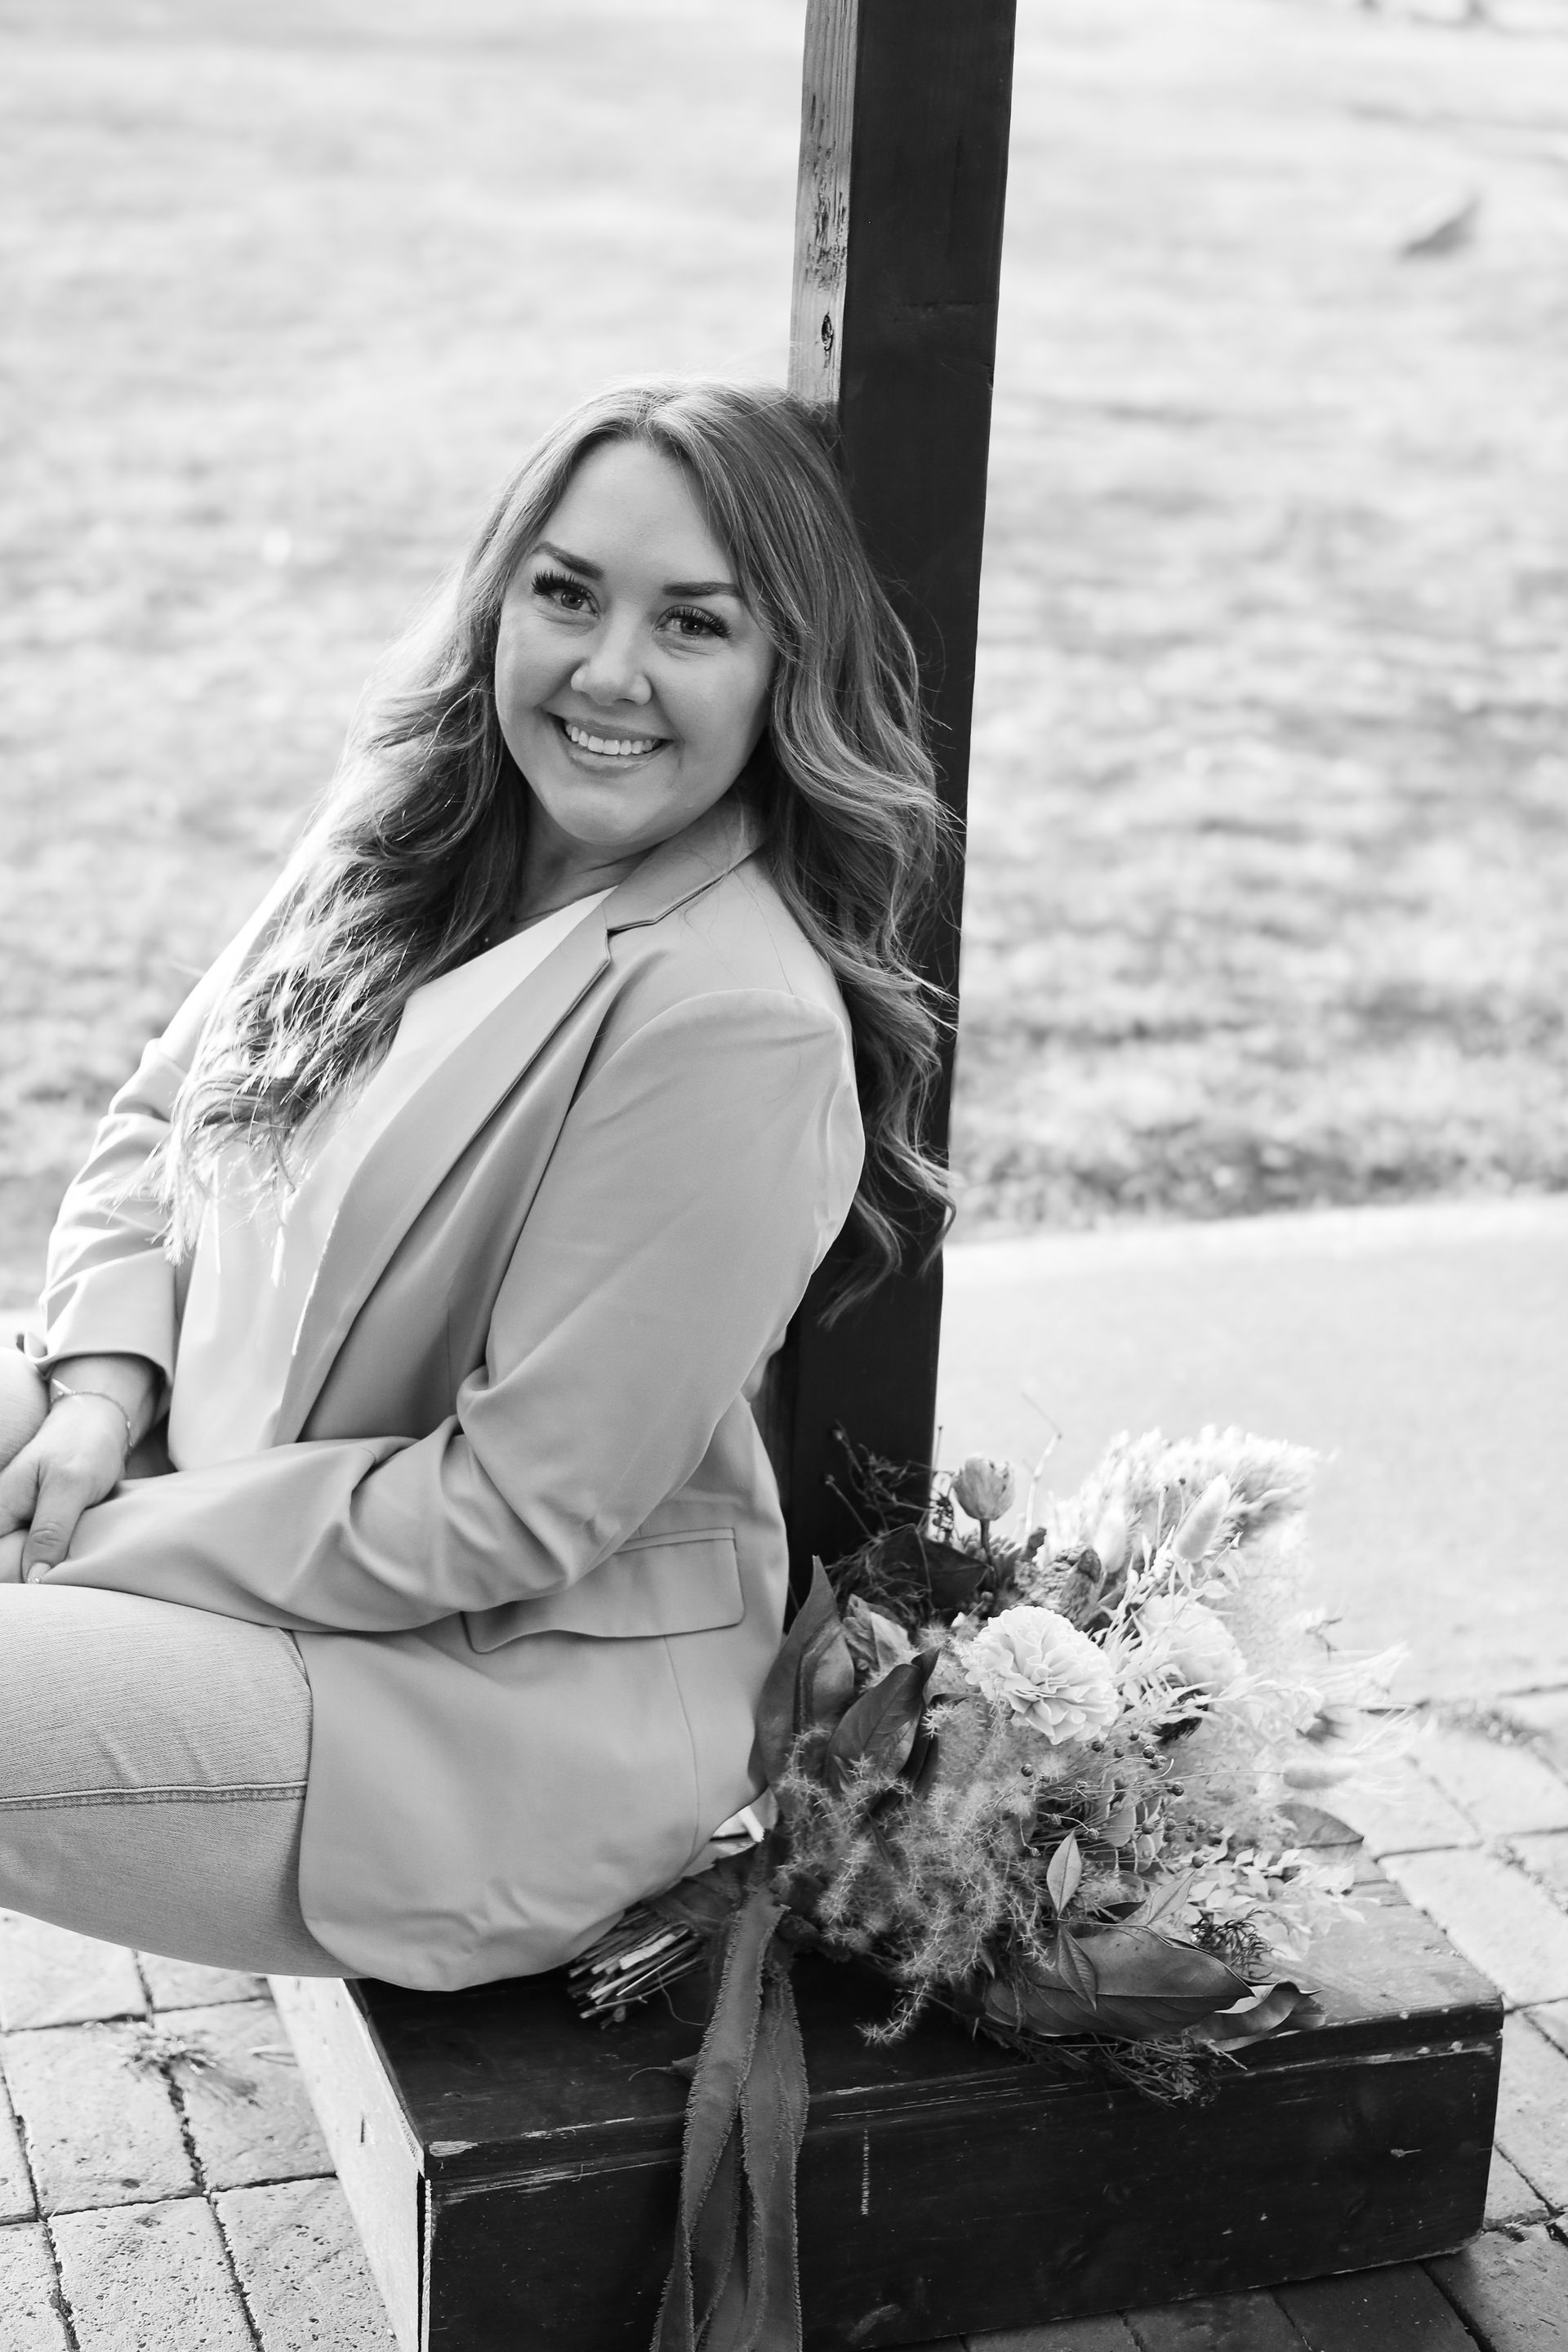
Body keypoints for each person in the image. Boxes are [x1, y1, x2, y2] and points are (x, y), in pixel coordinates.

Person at [0, 380, 949, 1989]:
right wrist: (92, 1395)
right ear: (501, 596)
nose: (608, 672)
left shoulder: (728, 1019)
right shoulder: (406, 827)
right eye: (567, 593)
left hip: (458, 1705)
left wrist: (103, 1529)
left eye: (694, 625)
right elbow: (168, 1111)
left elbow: (509, 1512)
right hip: (187, 1477)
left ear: (786, 667)